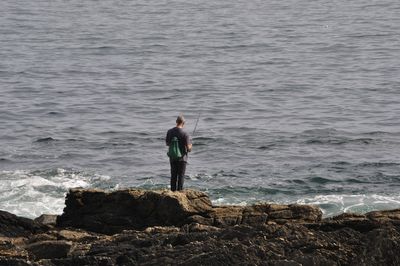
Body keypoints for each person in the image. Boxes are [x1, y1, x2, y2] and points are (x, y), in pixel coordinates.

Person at [166, 115, 192, 191]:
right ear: (183, 123)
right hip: (182, 158)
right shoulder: (185, 133)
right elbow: (188, 149)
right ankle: (179, 193)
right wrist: (191, 146)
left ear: (176, 122)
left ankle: (172, 192)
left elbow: (167, 143)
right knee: (181, 176)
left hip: (173, 157)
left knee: (173, 175)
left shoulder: (169, 131)